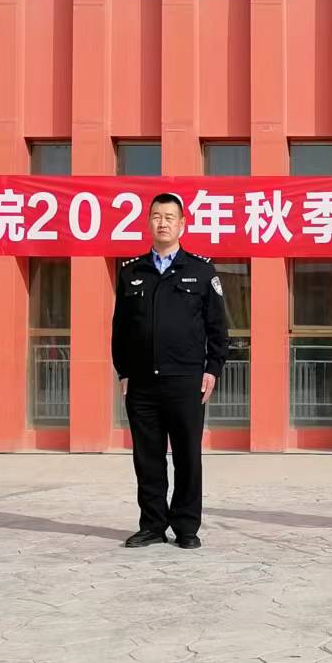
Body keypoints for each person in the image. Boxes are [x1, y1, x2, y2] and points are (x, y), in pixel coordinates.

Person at [112, 193, 229, 550]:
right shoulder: (132, 271)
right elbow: (120, 328)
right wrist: (123, 371)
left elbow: (218, 328)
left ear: (182, 224)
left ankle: (186, 527)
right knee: (147, 458)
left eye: (169, 217)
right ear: (148, 222)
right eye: (156, 216)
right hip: (142, 383)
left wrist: (212, 369)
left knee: (187, 456)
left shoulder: (201, 271)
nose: (162, 223)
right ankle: (152, 525)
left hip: (186, 381)